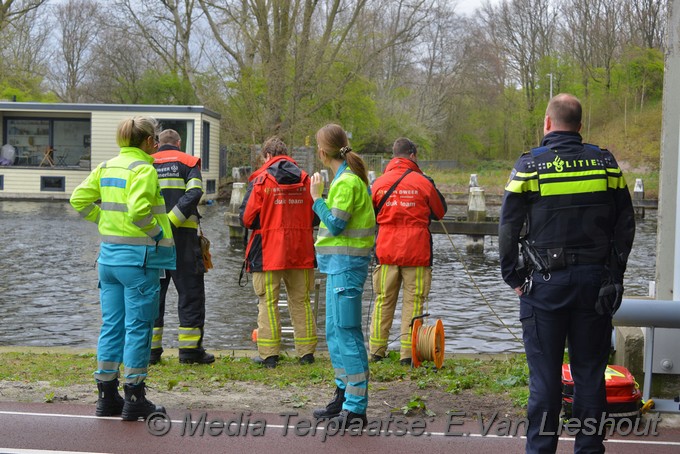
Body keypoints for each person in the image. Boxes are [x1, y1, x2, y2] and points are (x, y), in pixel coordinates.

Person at [498, 93, 635, 453]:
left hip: (544, 286)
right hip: (594, 286)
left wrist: (513, 277)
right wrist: (614, 274)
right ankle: (589, 449)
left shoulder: (530, 166)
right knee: (589, 375)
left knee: (544, 381)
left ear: (547, 123)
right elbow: (626, 223)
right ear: (580, 126)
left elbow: (508, 227)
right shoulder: (605, 164)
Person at [70, 116, 175, 420]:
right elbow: (140, 210)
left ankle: (106, 396)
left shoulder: (106, 166)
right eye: (154, 140)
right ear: (146, 142)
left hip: (108, 262)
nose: (156, 144)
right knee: (139, 327)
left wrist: (103, 220)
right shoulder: (144, 169)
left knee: (111, 326)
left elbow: (79, 199)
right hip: (138, 261)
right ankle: (135, 396)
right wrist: (156, 233)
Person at [310, 124, 375, 427]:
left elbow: (335, 224)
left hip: (347, 268)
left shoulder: (346, 183)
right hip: (338, 267)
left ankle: (356, 407)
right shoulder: (343, 179)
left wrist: (316, 198)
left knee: (347, 333)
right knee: (335, 333)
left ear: (323, 152)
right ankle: (343, 393)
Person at [238, 136, 318, 369]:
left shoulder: (261, 180)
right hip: (300, 250)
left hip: (267, 250)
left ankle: (269, 355)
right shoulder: (306, 181)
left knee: (268, 303)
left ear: (268, 156)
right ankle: (306, 354)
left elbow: (247, 218)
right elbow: (316, 215)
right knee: (301, 301)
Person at [369, 138, 447, 366]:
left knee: (383, 300)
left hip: (386, 251)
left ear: (394, 156)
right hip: (417, 252)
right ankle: (408, 354)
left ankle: (376, 351)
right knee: (413, 303)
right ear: (413, 154)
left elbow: (370, 214)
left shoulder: (379, 183)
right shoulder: (423, 183)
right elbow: (440, 211)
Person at [150, 129, 214, 365]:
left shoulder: (147, 163)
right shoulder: (189, 162)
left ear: (157, 144)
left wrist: (161, 225)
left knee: (153, 293)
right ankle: (189, 352)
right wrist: (173, 220)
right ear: (179, 143)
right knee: (190, 293)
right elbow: (195, 191)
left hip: (153, 237)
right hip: (184, 238)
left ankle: (150, 352)